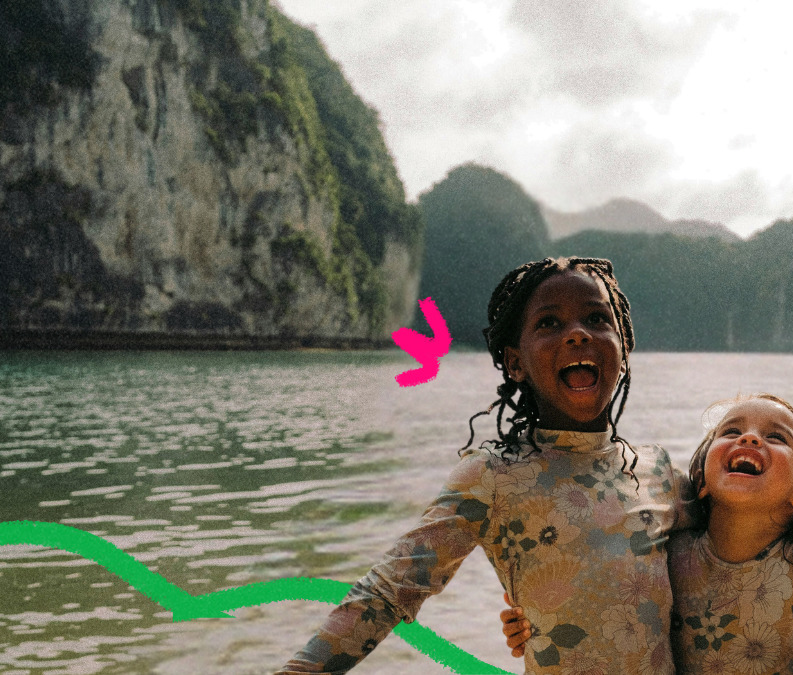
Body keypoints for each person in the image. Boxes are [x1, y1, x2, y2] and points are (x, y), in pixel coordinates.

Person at [277, 257, 691, 674]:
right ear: (515, 363)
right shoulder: (494, 475)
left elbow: (724, 567)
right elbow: (387, 592)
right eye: (549, 323)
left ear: (623, 345)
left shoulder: (658, 472)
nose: (578, 334)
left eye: (597, 318)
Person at [504, 393, 793, 675]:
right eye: (731, 431)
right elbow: (607, 595)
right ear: (699, 479)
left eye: (776, 437)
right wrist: (538, 616)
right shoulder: (671, 554)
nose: (749, 438)